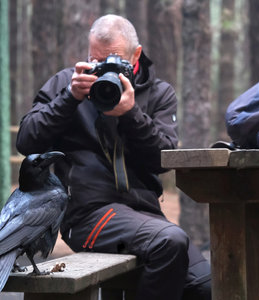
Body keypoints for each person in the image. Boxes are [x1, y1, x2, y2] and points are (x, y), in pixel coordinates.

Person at [16, 14, 211, 300]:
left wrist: (131, 114)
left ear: (137, 55)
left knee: (203, 285)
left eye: (114, 62)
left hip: (145, 214)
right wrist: (70, 99)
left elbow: (163, 159)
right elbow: (26, 141)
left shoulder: (158, 94)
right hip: (87, 214)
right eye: (96, 60)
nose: (103, 70)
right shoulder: (66, 83)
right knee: (170, 242)